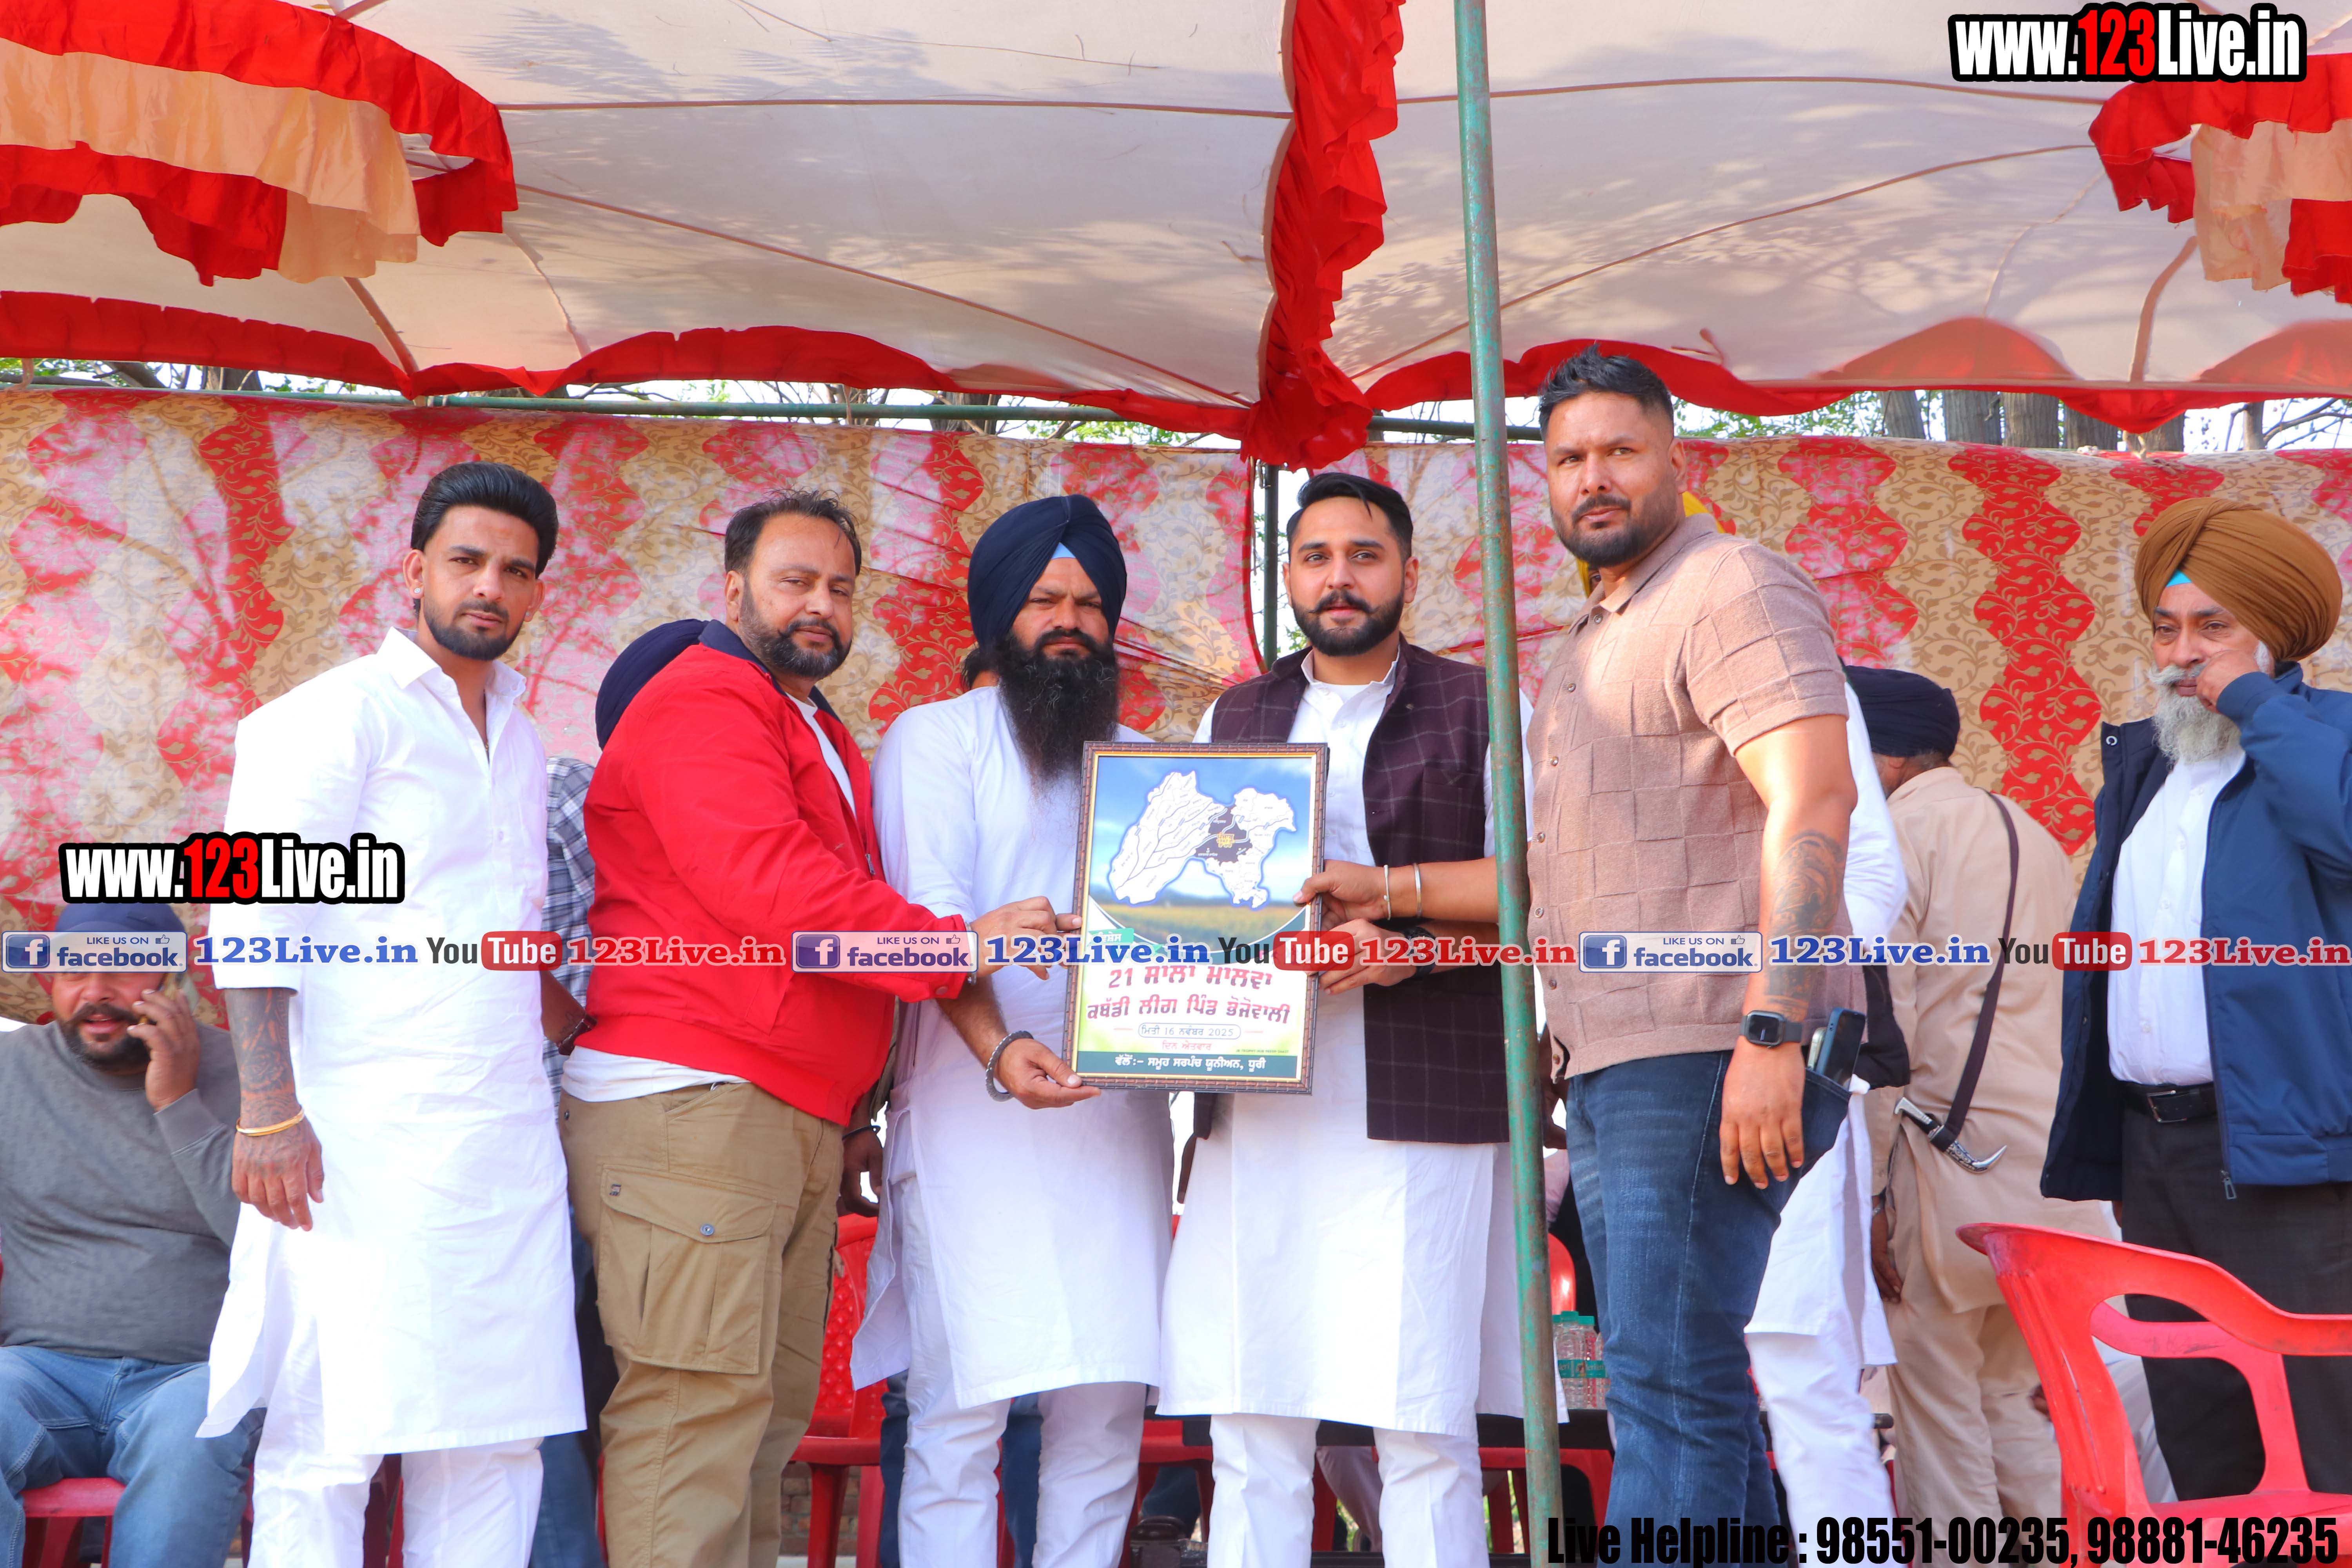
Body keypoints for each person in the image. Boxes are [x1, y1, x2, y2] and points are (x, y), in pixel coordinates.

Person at [1303, 347, 1861, 1530]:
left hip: (1711, 1044)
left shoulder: (1732, 585)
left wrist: (1774, 1028)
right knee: (1684, 1390)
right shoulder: (1597, 635)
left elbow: (1814, 799)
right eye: (1567, 459)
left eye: (1620, 450)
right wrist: (1386, 888)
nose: (1593, 478)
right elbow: (1554, 874)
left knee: (1665, 1387)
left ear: (1676, 457)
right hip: (1617, 1057)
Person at [562, 490, 1063, 1568]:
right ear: (733, 587)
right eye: (795, 581)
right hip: (693, 1103)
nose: (821, 606)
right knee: (695, 1426)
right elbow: (770, 886)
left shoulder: (810, 722)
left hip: (772, 1113)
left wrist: (851, 1113)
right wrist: (956, 945)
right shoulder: (704, 698)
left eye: (841, 587)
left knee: (755, 1430)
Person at [201, 461, 589, 1564]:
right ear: (414, 569)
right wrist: (269, 1110)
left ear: (538, 591)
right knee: (332, 1436)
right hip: (356, 1140)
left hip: (502, 1142)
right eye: (467, 560)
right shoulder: (329, 718)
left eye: (516, 570)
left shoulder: (522, 735)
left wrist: (579, 1032)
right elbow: (251, 914)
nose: (490, 587)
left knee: (497, 1437)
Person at [1162, 470, 1524, 1565]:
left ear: (1409, 572)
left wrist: (1410, 942)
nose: (1340, 577)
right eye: (1316, 556)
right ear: (1288, 576)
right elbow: (1189, 898)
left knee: (1422, 1413)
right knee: (1253, 1408)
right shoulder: (1233, 716)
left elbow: (1535, 887)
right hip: (1266, 1095)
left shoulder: (1481, 704)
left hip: (1427, 1093)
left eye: (1364, 555)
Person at [854, 494, 1167, 1568]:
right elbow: (932, 926)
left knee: (1105, 1413)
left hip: (1115, 1121)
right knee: (959, 1412)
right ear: (999, 617)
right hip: (972, 1114)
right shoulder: (934, 739)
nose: (1069, 621)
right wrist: (997, 1048)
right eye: (1043, 600)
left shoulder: (1148, 765)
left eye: (1089, 603)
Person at [2046, 497, 2352, 1499]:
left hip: (2294, 1160)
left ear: (2277, 634)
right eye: (2168, 629)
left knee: (2326, 1456)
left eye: (2215, 627)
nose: (2185, 655)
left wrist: (2258, 701)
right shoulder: (2147, 766)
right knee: (2208, 1454)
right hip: (2159, 1157)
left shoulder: (2330, 738)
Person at [1843, 664, 2105, 1520]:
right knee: (2012, 1396)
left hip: (1941, 1166)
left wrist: (1873, 1194)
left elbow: (1888, 1034)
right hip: (2043, 1170)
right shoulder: (2031, 830)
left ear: (1886, 758)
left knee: (1937, 1406)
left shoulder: (1890, 842)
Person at [0, 903, 262, 1568]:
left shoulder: (250, 1076)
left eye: (120, 968)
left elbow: (266, 1245)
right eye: (74, 971)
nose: (96, 992)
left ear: (173, 980)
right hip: (34, 1374)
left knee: (198, 1433)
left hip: (193, 1375)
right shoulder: (10, 1071)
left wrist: (178, 1104)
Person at [1742, 677, 1902, 1531]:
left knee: (1802, 1369)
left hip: (1782, 1062)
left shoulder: (1794, 667)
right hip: (1641, 1070)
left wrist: (1783, 994)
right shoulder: (1587, 669)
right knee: (1664, 1375)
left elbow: (1873, 870)